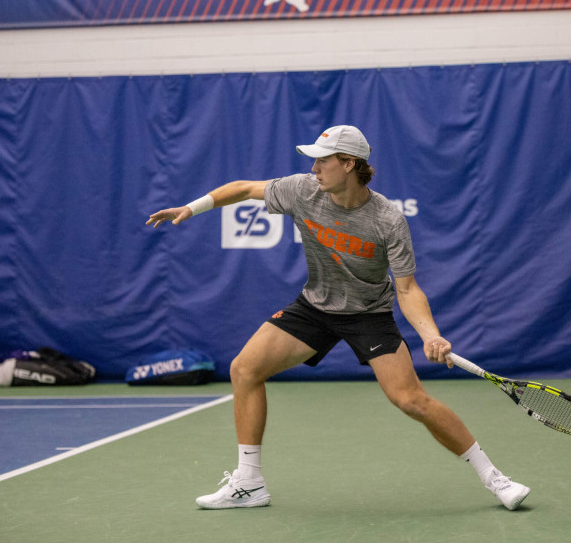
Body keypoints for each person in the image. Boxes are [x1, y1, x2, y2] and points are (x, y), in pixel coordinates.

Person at [146, 124, 530, 511]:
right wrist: (190, 208)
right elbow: (245, 188)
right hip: (315, 307)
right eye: (314, 160)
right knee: (244, 369)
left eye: (322, 160)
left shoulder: (387, 220)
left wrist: (431, 335)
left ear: (348, 164)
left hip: (369, 315)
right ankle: (249, 483)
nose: (314, 168)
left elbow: (408, 289)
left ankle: (495, 478)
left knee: (411, 400)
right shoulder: (302, 191)